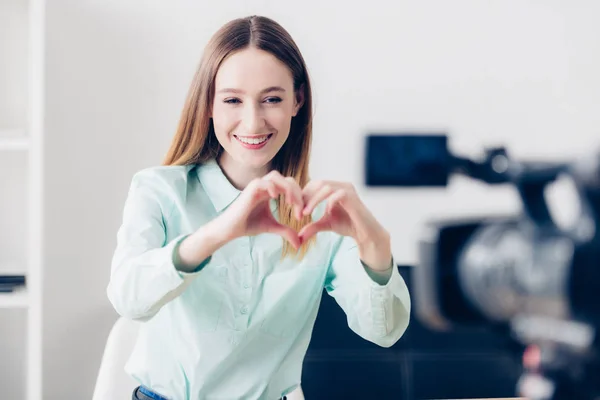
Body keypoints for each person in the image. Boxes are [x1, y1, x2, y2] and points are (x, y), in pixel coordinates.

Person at [107, 15, 411, 400]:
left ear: (297, 101)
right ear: (209, 105)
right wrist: (219, 231)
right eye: (233, 99)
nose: (253, 121)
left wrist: (376, 245)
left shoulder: (321, 215)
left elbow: (384, 331)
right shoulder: (159, 190)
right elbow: (128, 299)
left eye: (272, 99)